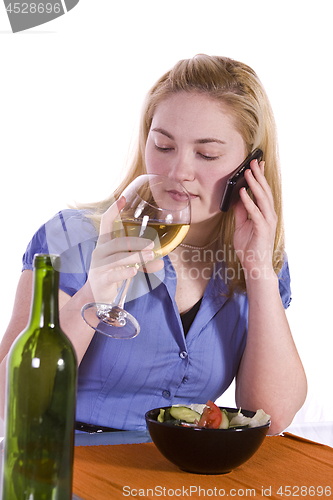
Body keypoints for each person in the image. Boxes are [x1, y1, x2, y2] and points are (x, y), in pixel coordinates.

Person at [0, 54, 307, 435]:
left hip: (180, 474)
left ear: (249, 168)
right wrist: (93, 294)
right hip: (67, 467)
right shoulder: (70, 237)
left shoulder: (258, 255)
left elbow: (270, 417)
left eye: (207, 153)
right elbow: (9, 400)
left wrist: (259, 271)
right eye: (163, 146)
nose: (179, 172)